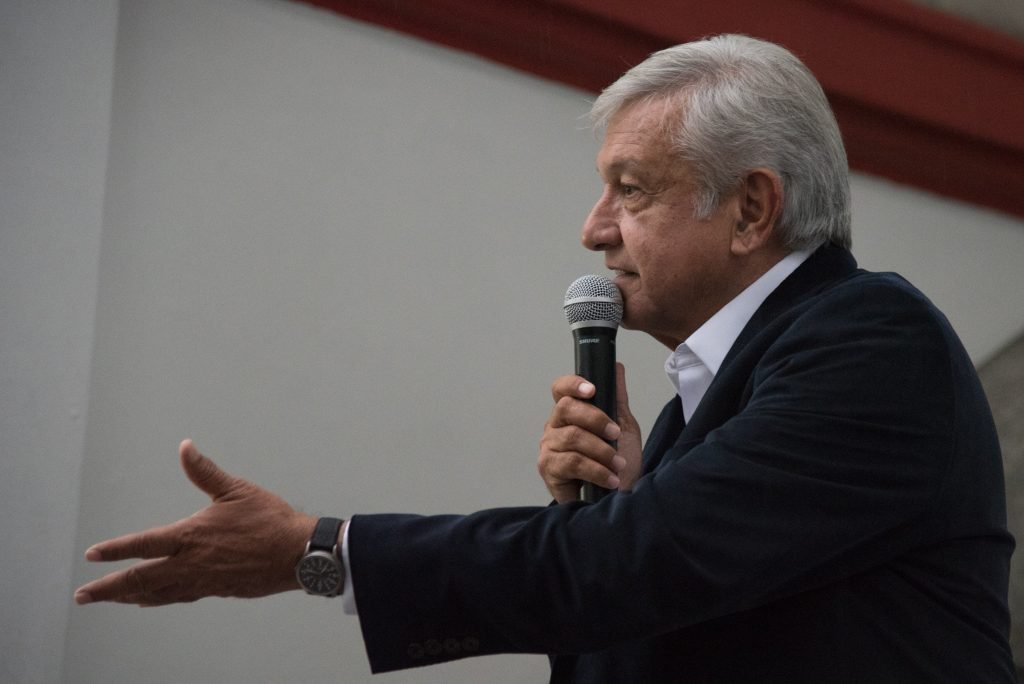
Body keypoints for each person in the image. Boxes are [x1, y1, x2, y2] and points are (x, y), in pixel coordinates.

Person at [75, 34, 1016, 682]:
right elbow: (632, 605)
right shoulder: (699, 413)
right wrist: (629, 500)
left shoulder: (872, 340)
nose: (593, 230)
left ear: (752, 209)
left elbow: (625, 570)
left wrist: (316, 551)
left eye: (630, 191)